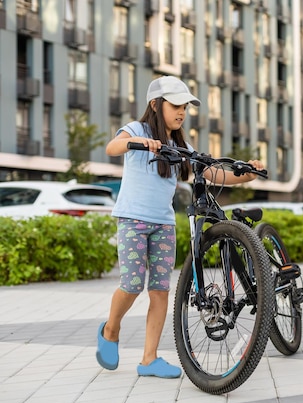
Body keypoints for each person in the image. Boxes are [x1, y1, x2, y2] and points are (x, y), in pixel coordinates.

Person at [96, 75, 264, 378]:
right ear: (156, 104)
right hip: (133, 220)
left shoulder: (181, 144)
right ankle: (111, 329)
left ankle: (149, 360)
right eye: (175, 105)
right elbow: (112, 147)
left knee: (160, 291)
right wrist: (138, 143)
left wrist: (247, 174)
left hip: (163, 223)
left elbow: (211, 172)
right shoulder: (137, 129)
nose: (182, 112)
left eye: (185, 107)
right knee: (132, 284)